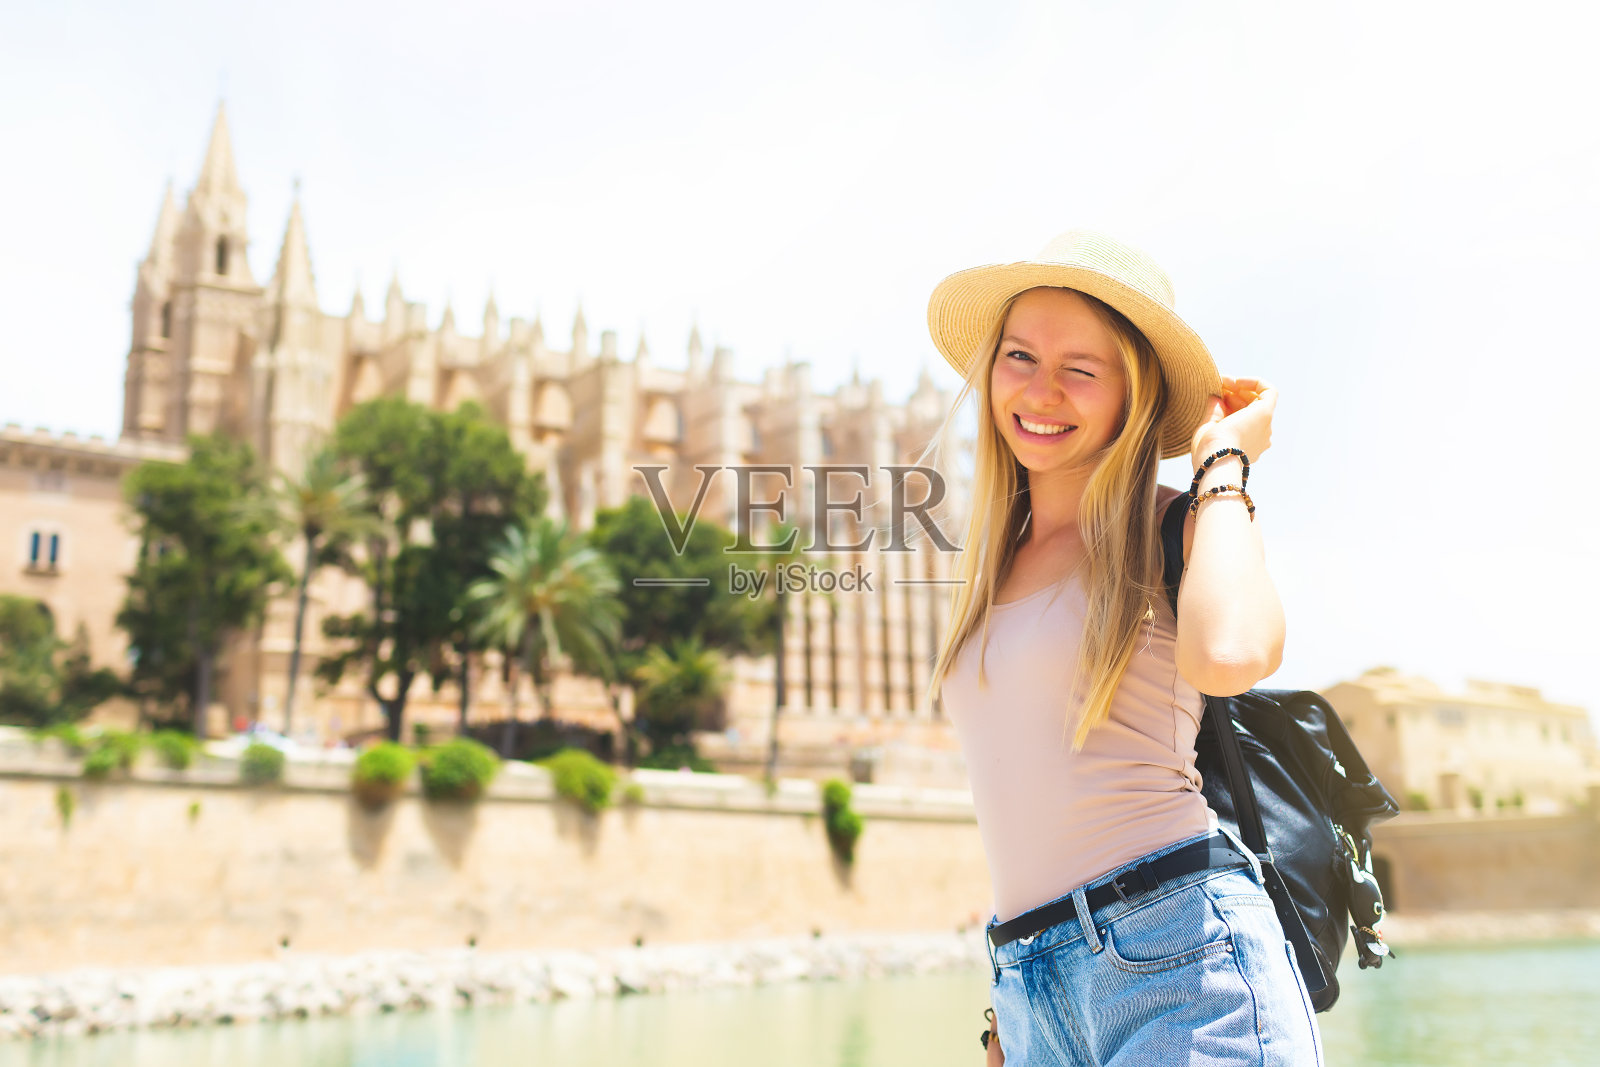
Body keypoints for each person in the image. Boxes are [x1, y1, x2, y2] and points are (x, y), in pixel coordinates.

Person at [922, 231, 1323, 1065]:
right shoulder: (989, 562)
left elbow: (1233, 650)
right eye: (1020, 355)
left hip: (1183, 964)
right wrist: (1011, 1007)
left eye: (1081, 368)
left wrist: (1223, 465)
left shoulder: (1175, 523)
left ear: (1130, 394)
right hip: (1030, 990)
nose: (1040, 389)